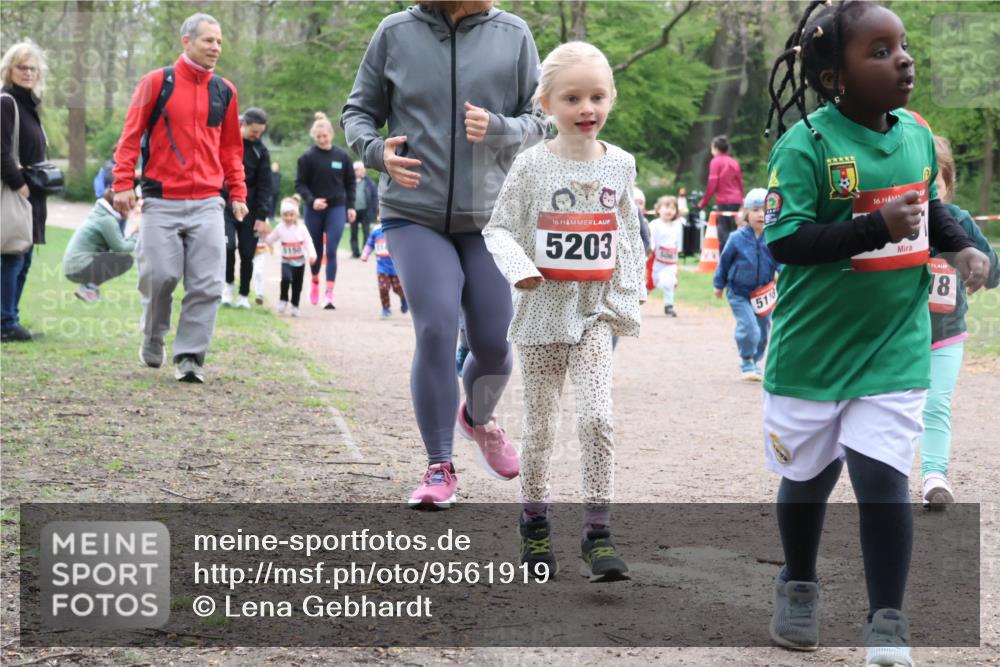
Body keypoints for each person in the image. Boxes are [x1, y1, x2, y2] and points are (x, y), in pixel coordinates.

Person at [761, 2, 990, 664]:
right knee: (806, 479)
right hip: (812, 354)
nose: (904, 59)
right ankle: (797, 580)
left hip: (895, 347)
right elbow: (787, 241)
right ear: (834, 78)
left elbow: (932, 209)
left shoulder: (916, 134)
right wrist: (875, 226)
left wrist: (962, 249)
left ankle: (887, 622)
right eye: (881, 51)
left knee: (883, 478)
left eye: (904, 46)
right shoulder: (806, 145)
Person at [342, 0, 544, 508]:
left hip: (491, 215)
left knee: (495, 343)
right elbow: (358, 111)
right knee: (433, 326)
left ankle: (477, 419)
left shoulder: (514, 34)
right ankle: (439, 464)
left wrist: (500, 128)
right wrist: (375, 152)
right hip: (413, 209)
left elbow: (540, 120)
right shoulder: (395, 32)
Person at [483, 41, 645, 583]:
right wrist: (520, 268)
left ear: (611, 99)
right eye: (572, 97)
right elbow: (498, 227)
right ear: (547, 104)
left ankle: (598, 535)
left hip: (593, 314)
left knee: (598, 416)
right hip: (540, 318)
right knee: (542, 426)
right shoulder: (530, 166)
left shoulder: (620, 165)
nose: (586, 109)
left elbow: (625, 235)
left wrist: (627, 300)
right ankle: (534, 525)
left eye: (597, 97)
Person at [113, 12, 250, 383]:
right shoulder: (157, 83)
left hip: (208, 201)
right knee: (160, 275)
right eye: (209, 40)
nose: (216, 47)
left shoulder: (225, 91)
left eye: (219, 41)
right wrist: (123, 182)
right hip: (160, 200)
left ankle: (190, 355)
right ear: (186, 42)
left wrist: (237, 191)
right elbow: (129, 137)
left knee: (207, 283)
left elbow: (231, 150)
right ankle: (153, 336)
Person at [919, 135, 1000, 506]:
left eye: (934, 180)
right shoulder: (886, 225)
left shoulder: (959, 221)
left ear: (947, 184)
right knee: (887, 406)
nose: (927, 191)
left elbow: (992, 267)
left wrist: (983, 267)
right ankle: (880, 473)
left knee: (935, 402)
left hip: (945, 334)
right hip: (893, 333)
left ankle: (934, 475)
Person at [1, 41, 50, 343]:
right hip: (15, 193)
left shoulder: (28, 105)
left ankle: (11, 317)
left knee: (23, 257)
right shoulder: (6, 102)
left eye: (32, 68)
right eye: (22, 67)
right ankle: (5, 322)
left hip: (30, 196)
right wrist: (20, 185)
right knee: (11, 256)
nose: (28, 73)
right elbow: (1, 151)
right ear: (9, 70)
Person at [713, 188, 777, 379]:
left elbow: (780, 261)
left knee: (763, 331)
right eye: (756, 210)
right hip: (738, 292)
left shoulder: (773, 238)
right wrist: (719, 285)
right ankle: (746, 360)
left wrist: (782, 274)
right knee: (749, 327)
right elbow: (724, 262)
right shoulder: (736, 238)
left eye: (765, 210)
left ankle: (756, 360)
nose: (760, 214)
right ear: (746, 213)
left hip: (763, 294)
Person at [295, 112, 356, 309]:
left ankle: (329, 294)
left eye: (325, 136)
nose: (322, 139)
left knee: (331, 249)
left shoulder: (342, 156)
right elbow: (300, 184)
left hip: (336, 207)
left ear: (331, 134)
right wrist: (312, 201)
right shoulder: (307, 157)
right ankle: (314, 281)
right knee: (316, 251)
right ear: (315, 137)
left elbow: (350, 182)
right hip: (314, 209)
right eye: (319, 137)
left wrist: (351, 206)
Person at [222, 107, 272, 310]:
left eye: (260, 133)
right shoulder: (226, 143)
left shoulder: (261, 151)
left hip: (249, 208)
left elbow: (265, 185)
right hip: (225, 204)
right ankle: (228, 287)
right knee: (227, 247)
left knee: (247, 252)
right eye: (254, 132)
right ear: (242, 125)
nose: (257, 136)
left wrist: (262, 216)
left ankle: (243, 294)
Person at [63, 177, 139, 303]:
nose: (131, 207)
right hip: (77, 267)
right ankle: (88, 287)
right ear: (118, 203)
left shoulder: (101, 214)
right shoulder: (107, 220)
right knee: (125, 259)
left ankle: (89, 287)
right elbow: (121, 249)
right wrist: (137, 234)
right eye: (129, 203)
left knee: (118, 257)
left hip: (73, 267)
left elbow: (118, 244)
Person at [264, 197, 317, 317]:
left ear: (296, 215)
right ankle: (283, 300)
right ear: (282, 215)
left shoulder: (302, 228)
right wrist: (264, 235)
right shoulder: (280, 227)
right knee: (286, 279)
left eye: (291, 215)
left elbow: (309, 242)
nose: (288, 218)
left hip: (300, 261)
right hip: (286, 261)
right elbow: (271, 239)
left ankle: (295, 305)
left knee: (297, 284)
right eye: (285, 215)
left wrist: (312, 254)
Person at [697, 135, 744, 252]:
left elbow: (712, 184)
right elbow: (740, 183)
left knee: (723, 230)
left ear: (716, 148)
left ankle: (725, 258)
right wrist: (742, 200)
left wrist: (702, 203)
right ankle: (736, 255)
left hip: (724, 201)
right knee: (734, 230)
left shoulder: (715, 162)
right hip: (736, 201)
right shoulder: (734, 162)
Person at [361, 224, 408, 318]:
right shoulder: (376, 231)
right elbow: (369, 244)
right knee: (383, 288)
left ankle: (404, 299)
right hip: (382, 267)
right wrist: (365, 254)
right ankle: (385, 308)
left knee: (398, 288)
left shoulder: (395, 229)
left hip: (396, 267)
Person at [649, 195, 683, 317]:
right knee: (651, 282)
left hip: (670, 260)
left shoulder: (677, 225)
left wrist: (677, 257)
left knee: (670, 282)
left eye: (673, 208)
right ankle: (637, 301)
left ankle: (669, 306)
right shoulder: (655, 224)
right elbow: (651, 240)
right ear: (658, 209)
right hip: (656, 259)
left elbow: (678, 242)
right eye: (666, 207)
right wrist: (649, 251)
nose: (669, 211)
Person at [351, 161, 379, 258]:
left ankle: (365, 252)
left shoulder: (369, 182)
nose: (364, 171)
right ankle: (355, 252)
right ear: (355, 171)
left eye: (364, 169)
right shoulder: (349, 181)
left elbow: (375, 196)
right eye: (361, 169)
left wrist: (375, 208)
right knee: (353, 232)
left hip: (365, 211)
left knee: (366, 231)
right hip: (353, 211)